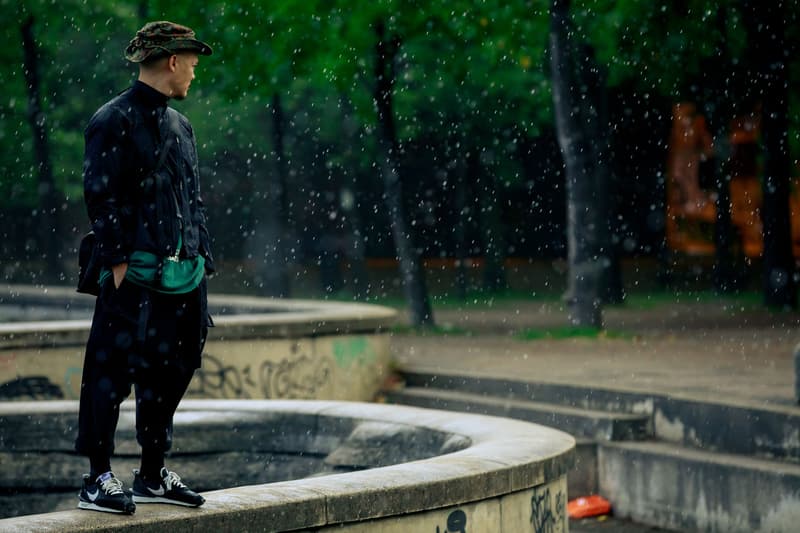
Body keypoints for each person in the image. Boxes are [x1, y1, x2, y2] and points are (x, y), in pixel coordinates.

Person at [75, 21, 215, 514]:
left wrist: (201, 258)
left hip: (184, 278)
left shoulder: (182, 126)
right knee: (109, 374)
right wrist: (115, 262)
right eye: (192, 63)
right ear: (173, 61)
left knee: (174, 368)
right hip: (130, 276)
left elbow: (191, 200)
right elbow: (100, 194)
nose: (195, 72)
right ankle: (96, 478)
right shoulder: (111, 120)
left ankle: (152, 474)